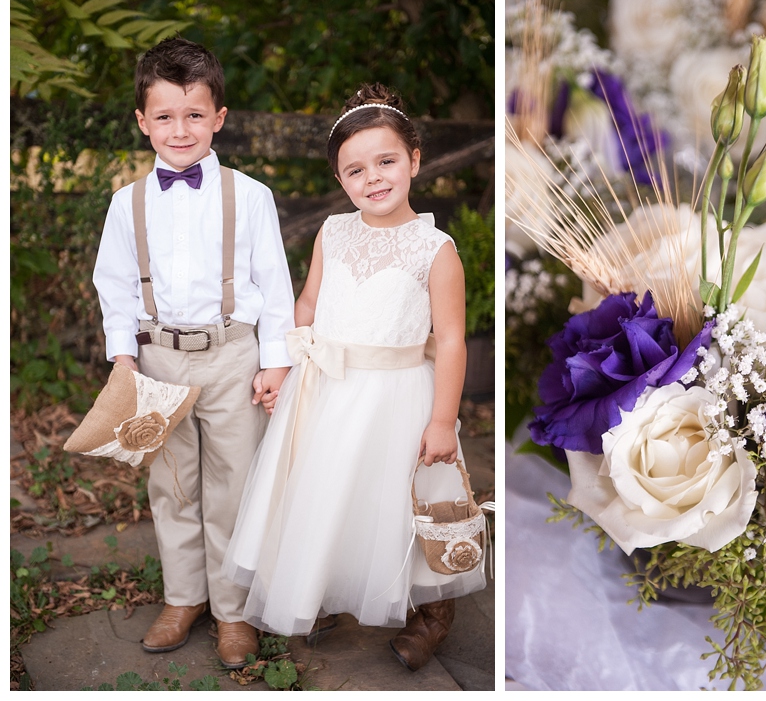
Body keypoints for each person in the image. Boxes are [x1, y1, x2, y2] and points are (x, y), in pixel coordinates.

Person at [223, 83, 487, 670]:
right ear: (341, 181)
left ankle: (432, 608)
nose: (373, 178)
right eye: (355, 170)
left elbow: (449, 341)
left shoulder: (435, 249)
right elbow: (310, 304)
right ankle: (325, 585)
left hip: (399, 397)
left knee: (402, 501)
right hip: (327, 391)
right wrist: (283, 365)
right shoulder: (333, 233)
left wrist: (443, 419)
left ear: (415, 160)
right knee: (328, 491)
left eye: (386, 161)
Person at [93, 36, 296, 669]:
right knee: (172, 482)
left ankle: (233, 608)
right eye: (165, 117)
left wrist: (275, 358)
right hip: (158, 360)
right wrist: (124, 357)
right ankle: (184, 598)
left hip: (234, 356)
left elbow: (276, 284)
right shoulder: (126, 204)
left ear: (219, 118)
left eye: (195, 115)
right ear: (142, 121)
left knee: (235, 484)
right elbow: (114, 284)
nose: (180, 131)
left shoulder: (251, 195)